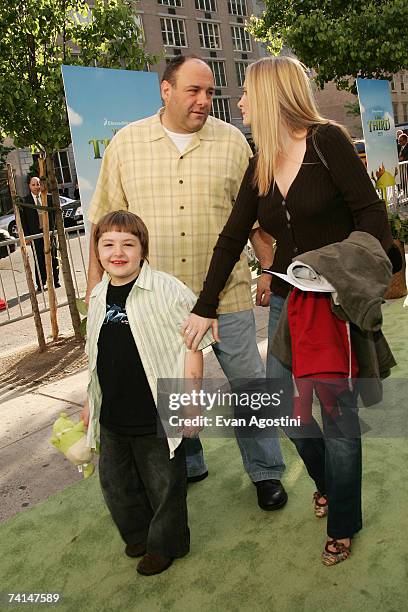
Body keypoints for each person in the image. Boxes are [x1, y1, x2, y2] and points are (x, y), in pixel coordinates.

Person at [183, 56, 399, 565]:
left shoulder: (327, 143)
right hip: (286, 299)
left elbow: (372, 215)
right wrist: (204, 306)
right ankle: (327, 481)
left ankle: (344, 519)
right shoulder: (260, 161)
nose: (237, 104)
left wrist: (341, 267)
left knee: (337, 414)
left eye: (245, 95)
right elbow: (233, 236)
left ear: (270, 96)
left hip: (335, 302)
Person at [85, 55, 287, 511]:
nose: (204, 100)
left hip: (226, 296)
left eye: (210, 92)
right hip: (153, 302)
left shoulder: (233, 142)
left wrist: (270, 272)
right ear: (166, 90)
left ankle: (267, 472)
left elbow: (254, 221)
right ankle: (189, 458)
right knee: (171, 383)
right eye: (194, 91)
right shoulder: (126, 144)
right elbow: (102, 227)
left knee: (249, 386)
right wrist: (95, 294)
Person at [81, 210, 212, 576]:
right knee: (116, 484)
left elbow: (193, 349)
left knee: (164, 485)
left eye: (128, 244)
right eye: (107, 244)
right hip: (113, 414)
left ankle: (167, 544)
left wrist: (191, 402)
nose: (117, 252)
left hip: (156, 411)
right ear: (97, 250)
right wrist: (88, 403)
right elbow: (93, 355)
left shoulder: (169, 290)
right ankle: (139, 534)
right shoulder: (97, 295)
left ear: (143, 249)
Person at [21, 176, 60, 292]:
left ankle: (56, 280)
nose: (36, 187)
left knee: (53, 256)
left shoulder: (47, 198)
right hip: (35, 234)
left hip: (49, 233)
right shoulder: (25, 201)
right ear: (29, 186)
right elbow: (24, 221)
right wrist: (27, 236)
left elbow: (54, 216)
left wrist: (54, 231)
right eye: (33, 185)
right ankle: (41, 282)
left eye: (38, 184)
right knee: (39, 259)